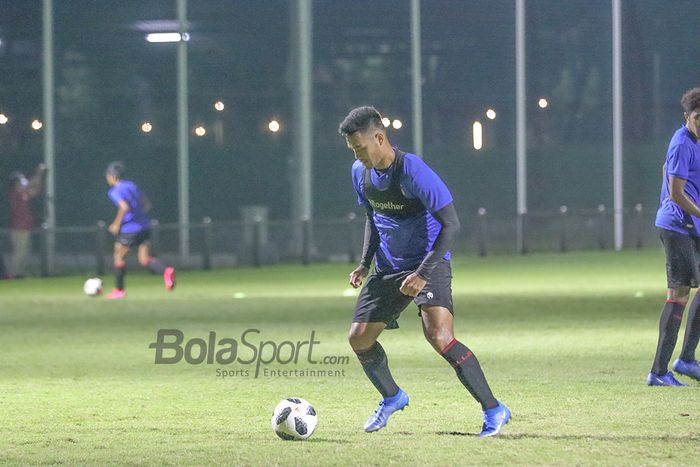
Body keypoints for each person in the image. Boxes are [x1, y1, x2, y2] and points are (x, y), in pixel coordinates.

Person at [339, 106, 511, 436]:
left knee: (439, 335)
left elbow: (451, 224)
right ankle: (392, 396)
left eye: (361, 147)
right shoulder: (359, 173)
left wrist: (422, 273)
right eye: (352, 150)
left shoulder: (413, 170)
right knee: (359, 339)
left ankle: (494, 409)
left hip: (426, 262)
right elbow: (372, 219)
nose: (358, 155)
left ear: (379, 137)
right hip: (388, 266)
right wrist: (364, 262)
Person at [649, 87, 700, 386]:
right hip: (678, 227)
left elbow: (666, 170)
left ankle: (687, 359)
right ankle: (658, 371)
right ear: (687, 117)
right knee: (678, 295)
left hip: (692, 226)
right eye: (697, 118)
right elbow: (676, 193)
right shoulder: (682, 142)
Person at [105, 161, 175, 299]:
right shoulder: (131, 185)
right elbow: (147, 204)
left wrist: (116, 224)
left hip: (129, 229)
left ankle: (119, 290)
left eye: (108, 175)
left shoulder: (115, 191)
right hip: (144, 226)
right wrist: (138, 215)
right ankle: (166, 271)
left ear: (113, 176)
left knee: (118, 257)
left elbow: (124, 207)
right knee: (144, 259)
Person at [8, 164, 46, 278]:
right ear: (16, 184)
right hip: (18, 228)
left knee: (26, 253)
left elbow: (36, 190)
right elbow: (29, 185)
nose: (23, 183)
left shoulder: (23, 194)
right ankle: (13, 275)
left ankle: (20, 274)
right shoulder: (15, 194)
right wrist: (39, 172)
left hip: (25, 227)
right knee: (19, 253)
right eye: (20, 182)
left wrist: (40, 178)